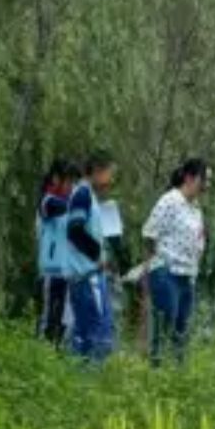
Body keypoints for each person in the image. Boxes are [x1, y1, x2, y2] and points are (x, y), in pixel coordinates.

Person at [140, 158, 210, 366]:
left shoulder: (196, 208)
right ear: (189, 178)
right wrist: (154, 268)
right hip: (167, 272)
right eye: (204, 179)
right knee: (164, 325)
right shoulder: (169, 201)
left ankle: (178, 375)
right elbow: (149, 234)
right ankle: (157, 372)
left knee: (182, 329)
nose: (207, 185)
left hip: (187, 275)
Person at [61, 152, 119, 363]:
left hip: (86, 274)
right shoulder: (83, 195)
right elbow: (74, 230)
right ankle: (94, 382)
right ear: (97, 171)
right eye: (109, 173)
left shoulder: (86, 196)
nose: (110, 180)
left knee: (84, 332)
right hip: (87, 275)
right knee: (99, 333)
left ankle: (80, 381)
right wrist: (96, 256)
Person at [34, 158, 80, 348]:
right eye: (68, 181)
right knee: (49, 319)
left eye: (73, 182)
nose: (71, 186)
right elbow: (56, 207)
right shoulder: (47, 201)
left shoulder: (68, 202)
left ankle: (56, 357)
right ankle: (41, 357)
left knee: (64, 321)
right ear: (55, 178)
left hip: (67, 271)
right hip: (51, 272)